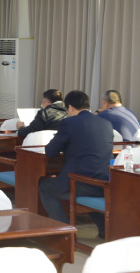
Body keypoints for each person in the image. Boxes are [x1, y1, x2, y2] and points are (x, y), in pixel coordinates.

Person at [38, 90, 113, 238]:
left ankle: (65, 232)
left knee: (44, 187)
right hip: (104, 182)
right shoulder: (105, 123)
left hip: (81, 183)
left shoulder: (69, 122)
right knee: (85, 184)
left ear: (70, 107)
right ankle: (105, 230)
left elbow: (50, 151)